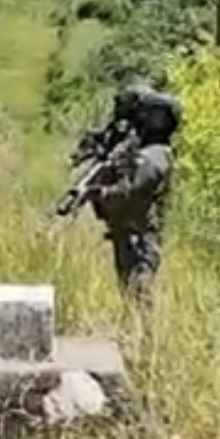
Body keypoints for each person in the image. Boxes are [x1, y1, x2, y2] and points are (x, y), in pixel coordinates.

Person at [86, 83, 179, 299]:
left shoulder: (155, 155)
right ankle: (135, 330)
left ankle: (145, 332)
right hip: (128, 232)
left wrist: (101, 193)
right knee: (128, 289)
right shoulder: (142, 152)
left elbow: (132, 190)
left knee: (140, 289)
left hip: (141, 235)